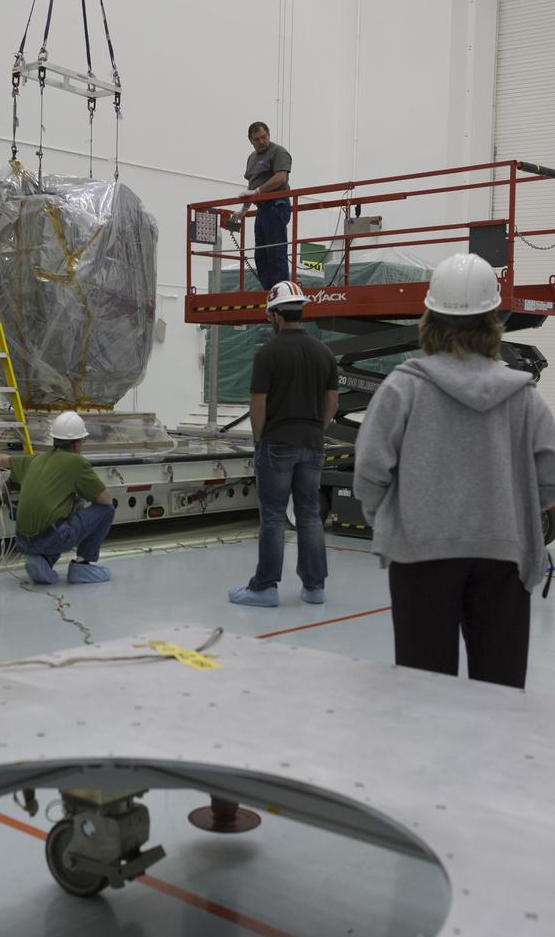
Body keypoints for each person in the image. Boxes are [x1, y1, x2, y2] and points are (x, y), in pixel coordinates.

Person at [353, 252, 555, 689]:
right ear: (493, 322)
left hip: (419, 553)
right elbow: (549, 471)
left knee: (425, 691)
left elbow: (370, 469)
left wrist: (391, 521)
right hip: (503, 556)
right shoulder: (524, 396)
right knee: (498, 692)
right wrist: (512, 512)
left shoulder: (403, 388)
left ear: (429, 318)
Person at [229, 280, 338, 608]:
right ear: (300, 310)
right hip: (312, 443)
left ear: (275, 315)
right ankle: (315, 587)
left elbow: (257, 404)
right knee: (308, 514)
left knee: (274, 515)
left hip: (276, 442)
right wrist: (315, 429)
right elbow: (332, 403)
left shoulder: (268, 353)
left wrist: (260, 439)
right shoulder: (325, 353)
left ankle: (264, 588)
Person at [0, 411, 115, 584]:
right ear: (76, 444)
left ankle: (42, 561)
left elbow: (1, 460)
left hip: (22, 541)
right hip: (51, 539)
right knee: (106, 511)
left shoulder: (35, 460)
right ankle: (82, 565)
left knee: (57, 514)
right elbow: (105, 500)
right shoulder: (77, 463)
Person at [227, 121, 293, 291]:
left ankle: (281, 291)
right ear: (251, 141)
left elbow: (281, 178)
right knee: (261, 255)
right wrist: (243, 210)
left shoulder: (278, 152)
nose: (261, 141)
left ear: (269, 135)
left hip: (277, 205)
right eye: (257, 139)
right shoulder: (252, 159)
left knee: (275, 251)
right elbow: (252, 185)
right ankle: (269, 290)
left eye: (264, 137)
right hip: (262, 209)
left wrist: (257, 192)